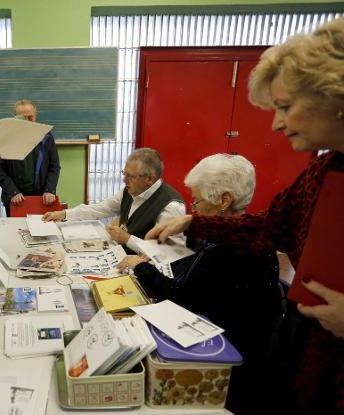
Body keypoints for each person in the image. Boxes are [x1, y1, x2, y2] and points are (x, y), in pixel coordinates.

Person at [146, 17, 344, 414]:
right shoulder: (323, 171)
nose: (276, 122)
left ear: (334, 95)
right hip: (315, 360)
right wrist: (193, 221)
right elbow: (268, 226)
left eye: (286, 107)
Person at [118, 154, 281, 414]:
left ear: (224, 200)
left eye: (197, 201)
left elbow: (181, 299)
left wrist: (141, 267)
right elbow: (188, 266)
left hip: (222, 359)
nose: (192, 209)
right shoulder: (234, 234)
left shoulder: (231, 249)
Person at [43, 147, 186, 250]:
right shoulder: (130, 191)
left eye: (130, 176)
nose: (124, 180)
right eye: (124, 173)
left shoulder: (171, 206)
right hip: (121, 254)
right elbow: (101, 208)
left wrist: (128, 239)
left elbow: (169, 252)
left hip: (145, 270)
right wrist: (64, 214)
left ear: (150, 179)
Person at [0, 99, 61, 216]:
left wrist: (50, 190)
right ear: (15, 118)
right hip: (14, 199)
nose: (27, 121)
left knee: (41, 233)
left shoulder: (47, 137)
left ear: (36, 116)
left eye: (30, 117)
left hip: (42, 199)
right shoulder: (5, 138)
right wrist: (12, 192)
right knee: (16, 233)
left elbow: (54, 167)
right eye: (23, 118)